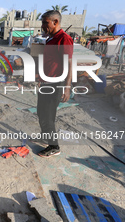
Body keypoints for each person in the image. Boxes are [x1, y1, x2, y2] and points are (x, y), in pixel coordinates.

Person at [37, 10, 73, 157]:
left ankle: (54, 146)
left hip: (55, 84)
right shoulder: (51, 39)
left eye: (45, 23)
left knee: (47, 115)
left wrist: (67, 87)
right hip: (46, 83)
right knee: (42, 113)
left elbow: (69, 64)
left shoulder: (64, 39)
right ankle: (47, 137)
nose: (43, 26)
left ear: (55, 22)